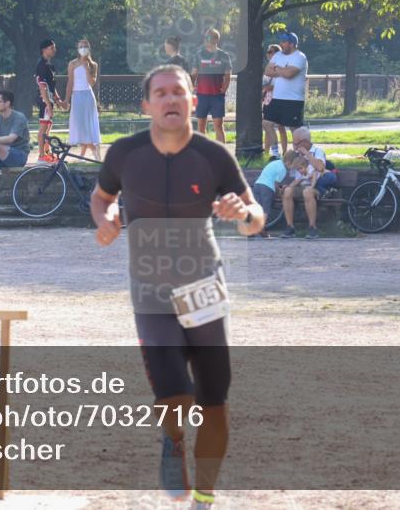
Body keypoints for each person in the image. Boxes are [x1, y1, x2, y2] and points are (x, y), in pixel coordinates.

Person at [91, 64, 264, 510]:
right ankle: (173, 440)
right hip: (151, 292)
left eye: (179, 92)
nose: (171, 99)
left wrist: (243, 214)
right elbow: (102, 196)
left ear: (193, 100)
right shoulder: (125, 154)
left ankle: (204, 496)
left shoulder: (213, 156)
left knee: (214, 398)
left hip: (203, 286)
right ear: (147, 104)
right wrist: (105, 219)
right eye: (161, 93)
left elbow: (256, 216)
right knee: (174, 393)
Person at [280, 126, 336, 239]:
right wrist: (286, 184)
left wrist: (307, 154)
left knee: (307, 191)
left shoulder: (318, 152)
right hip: (300, 185)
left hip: (315, 185)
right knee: (287, 191)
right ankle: (290, 227)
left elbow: (320, 168)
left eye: (296, 143)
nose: (294, 146)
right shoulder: (295, 154)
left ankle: (312, 228)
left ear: (305, 142)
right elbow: (290, 173)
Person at [263, 32, 307, 160]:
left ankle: (301, 155)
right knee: (267, 123)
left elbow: (289, 74)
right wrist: (282, 70)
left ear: (292, 44)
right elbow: (267, 71)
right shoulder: (278, 55)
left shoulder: (300, 57)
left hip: (293, 100)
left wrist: (276, 69)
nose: (281, 44)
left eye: (284, 42)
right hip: (277, 98)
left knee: (295, 130)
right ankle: (275, 154)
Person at [191, 29, 232, 143]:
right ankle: (202, 151)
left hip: (217, 96)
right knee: (201, 126)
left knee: (218, 126)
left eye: (208, 37)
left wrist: (224, 89)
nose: (206, 40)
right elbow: (194, 73)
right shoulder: (199, 54)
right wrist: (192, 86)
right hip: (201, 95)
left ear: (216, 39)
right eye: (205, 37)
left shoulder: (224, 55)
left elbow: (228, 75)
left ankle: (221, 152)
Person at [65, 38, 102, 160]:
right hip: (76, 95)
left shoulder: (93, 65)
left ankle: (88, 154)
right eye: (81, 46)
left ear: (89, 49)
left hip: (88, 96)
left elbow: (92, 83)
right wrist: (66, 100)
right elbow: (70, 82)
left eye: (85, 46)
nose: (83, 49)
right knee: (80, 124)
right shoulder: (72, 64)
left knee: (87, 124)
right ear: (78, 49)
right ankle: (92, 150)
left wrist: (87, 70)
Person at [251, 149, 296, 238]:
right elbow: (276, 184)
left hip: (257, 185)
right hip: (267, 188)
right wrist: (280, 194)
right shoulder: (283, 170)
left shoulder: (275, 162)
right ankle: (261, 228)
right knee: (266, 210)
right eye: (293, 166)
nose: (293, 168)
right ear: (288, 163)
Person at [35, 38, 67, 164]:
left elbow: (51, 87)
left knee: (48, 125)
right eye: (52, 48)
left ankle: (47, 153)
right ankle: (41, 156)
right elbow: (42, 86)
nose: (54, 50)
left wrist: (59, 101)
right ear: (44, 49)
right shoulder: (41, 66)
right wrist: (48, 103)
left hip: (48, 99)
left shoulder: (49, 66)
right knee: (43, 127)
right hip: (44, 100)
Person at [260, 44, 287, 155]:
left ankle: (284, 152)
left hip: (279, 98)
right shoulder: (268, 66)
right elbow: (264, 84)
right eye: (268, 52)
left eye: (271, 52)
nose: (268, 54)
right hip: (268, 99)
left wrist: (269, 87)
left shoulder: (282, 66)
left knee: (281, 127)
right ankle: (266, 152)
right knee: (267, 127)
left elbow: (282, 84)